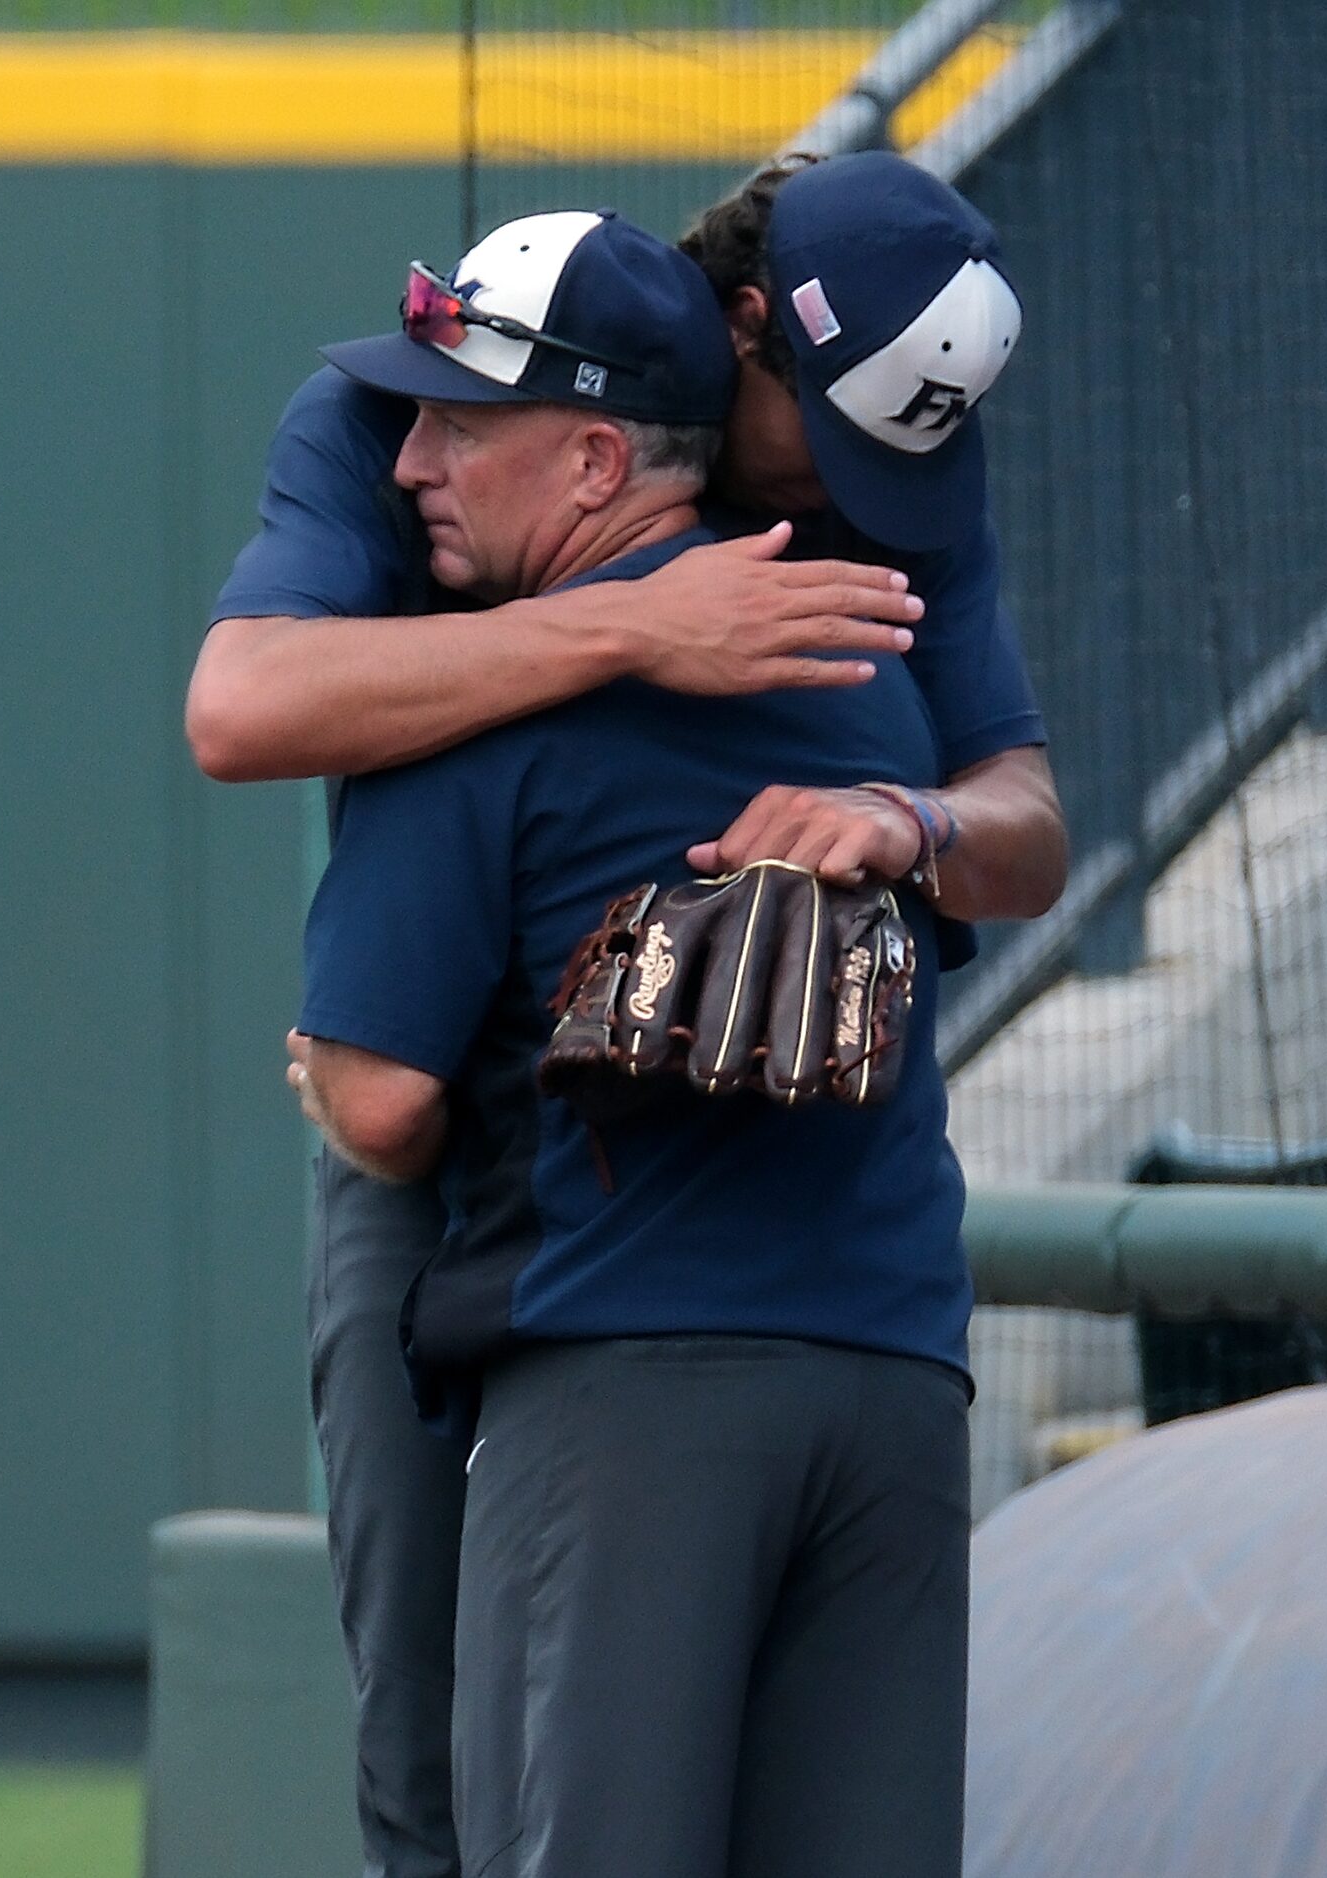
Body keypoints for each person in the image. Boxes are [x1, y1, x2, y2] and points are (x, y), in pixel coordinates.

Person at [195, 154, 1064, 1878]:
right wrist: (621, 633)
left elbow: (1022, 818)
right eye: (840, 428)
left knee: (518, 1800)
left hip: (626, 1281)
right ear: (745, 342)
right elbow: (240, 706)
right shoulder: (414, 433)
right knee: (438, 1745)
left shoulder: (880, 552)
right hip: (550, 1213)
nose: (877, 490)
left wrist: (911, 824)